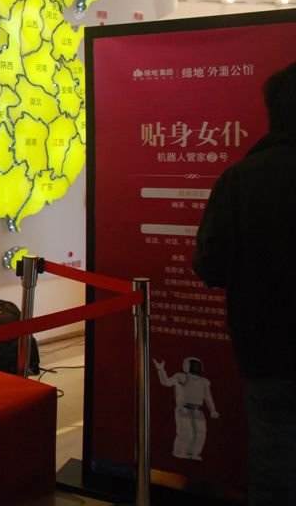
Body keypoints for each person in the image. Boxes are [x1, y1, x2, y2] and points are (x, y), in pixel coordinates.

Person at [193, 60, 296, 505]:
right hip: (268, 352)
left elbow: (210, 265)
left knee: (275, 470)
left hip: (268, 350)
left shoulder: (242, 179)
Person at [153, 356, 219, 460]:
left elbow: (208, 397)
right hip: (184, 409)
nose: (184, 366)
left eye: (186, 364)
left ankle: (194, 453)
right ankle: (179, 452)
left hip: (197, 411)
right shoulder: (181, 377)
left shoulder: (204, 382)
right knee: (185, 432)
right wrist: (161, 370)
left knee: (200, 433)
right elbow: (166, 382)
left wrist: (213, 410)